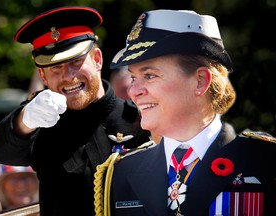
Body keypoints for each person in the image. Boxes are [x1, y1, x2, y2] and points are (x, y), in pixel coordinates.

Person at [94, 9, 276, 215]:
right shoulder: (122, 172)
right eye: (134, 77)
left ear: (200, 81)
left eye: (150, 76)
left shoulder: (266, 162)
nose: (133, 91)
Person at [0, 6, 151, 216]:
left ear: (98, 60)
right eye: (55, 67)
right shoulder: (42, 126)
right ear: (43, 76)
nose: (68, 76)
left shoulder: (140, 119)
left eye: (76, 62)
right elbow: (0, 151)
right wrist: (25, 119)